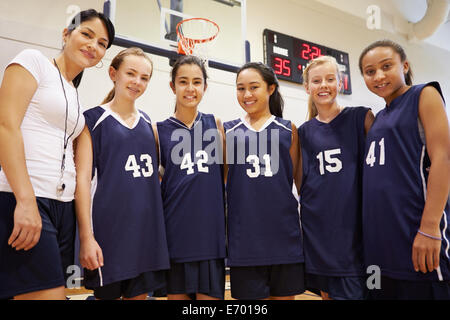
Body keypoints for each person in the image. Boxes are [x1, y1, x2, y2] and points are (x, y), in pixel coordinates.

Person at [0, 9, 114, 300]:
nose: (93, 46)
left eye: (102, 43)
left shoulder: (74, 96)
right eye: (86, 34)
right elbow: (6, 126)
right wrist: (25, 201)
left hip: (62, 207)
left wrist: (86, 235)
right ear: (66, 34)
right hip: (26, 196)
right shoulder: (32, 62)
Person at [74, 47, 170, 300]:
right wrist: (86, 237)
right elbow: (82, 181)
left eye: (144, 77)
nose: (137, 82)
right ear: (113, 73)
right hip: (109, 235)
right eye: (131, 73)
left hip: (146, 236)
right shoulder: (92, 120)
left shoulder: (150, 124)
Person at [359, 39, 450, 299]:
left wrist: (430, 227)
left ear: (405, 65)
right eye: (369, 71)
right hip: (378, 249)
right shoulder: (377, 118)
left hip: (417, 237)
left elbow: (443, 159)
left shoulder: (424, 94)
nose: (378, 76)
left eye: (386, 66)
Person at [223, 62, 305, 300]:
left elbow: (298, 183)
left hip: (283, 236)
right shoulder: (228, 132)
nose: (246, 94)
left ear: (270, 89)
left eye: (253, 87)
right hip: (245, 239)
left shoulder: (288, 129)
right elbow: (224, 182)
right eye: (240, 88)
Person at [298, 55, 374, 300]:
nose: (323, 85)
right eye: (317, 81)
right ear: (306, 87)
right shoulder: (303, 133)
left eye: (330, 79)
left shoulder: (361, 117)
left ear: (339, 83)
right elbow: (302, 185)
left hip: (357, 238)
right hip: (320, 236)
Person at [154, 55, 226, 300]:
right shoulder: (158, 130)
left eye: (197, 82)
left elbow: (224, 177)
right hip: (176, 236)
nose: (190, 88)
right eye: (183, 82)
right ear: (173, 86)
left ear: (205, 87)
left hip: (210, 238)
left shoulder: (216, 125)